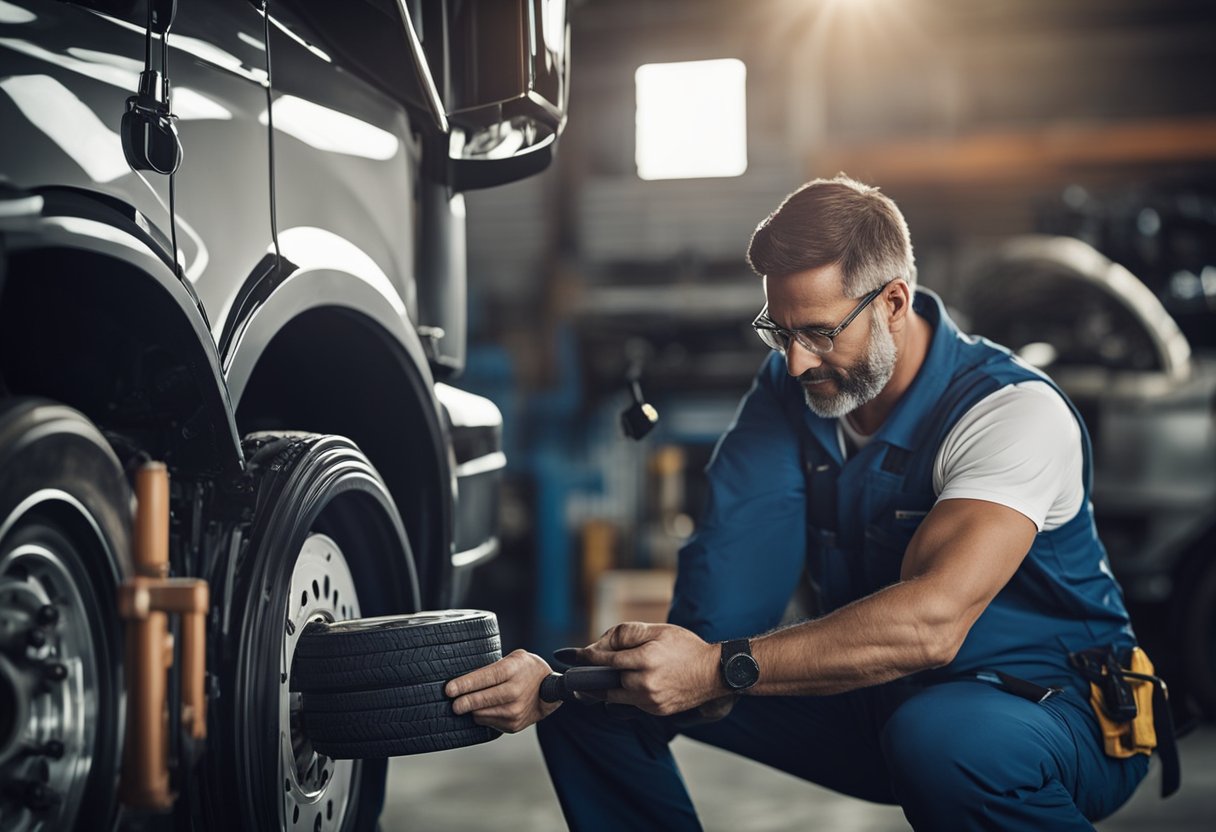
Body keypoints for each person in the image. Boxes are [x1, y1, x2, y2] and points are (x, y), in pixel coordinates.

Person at [444, 175, 1150, 830]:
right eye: (780, 332)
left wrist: (720, 667)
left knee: (944, 738)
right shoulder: (791, 394)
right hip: (883, 700)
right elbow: (723, 599)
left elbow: (931, 625)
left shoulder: (1010, 412)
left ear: (894, 303)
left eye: (819, 331)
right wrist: (577, 680)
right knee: (599, 692)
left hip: (1057, 715)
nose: (797, 361)